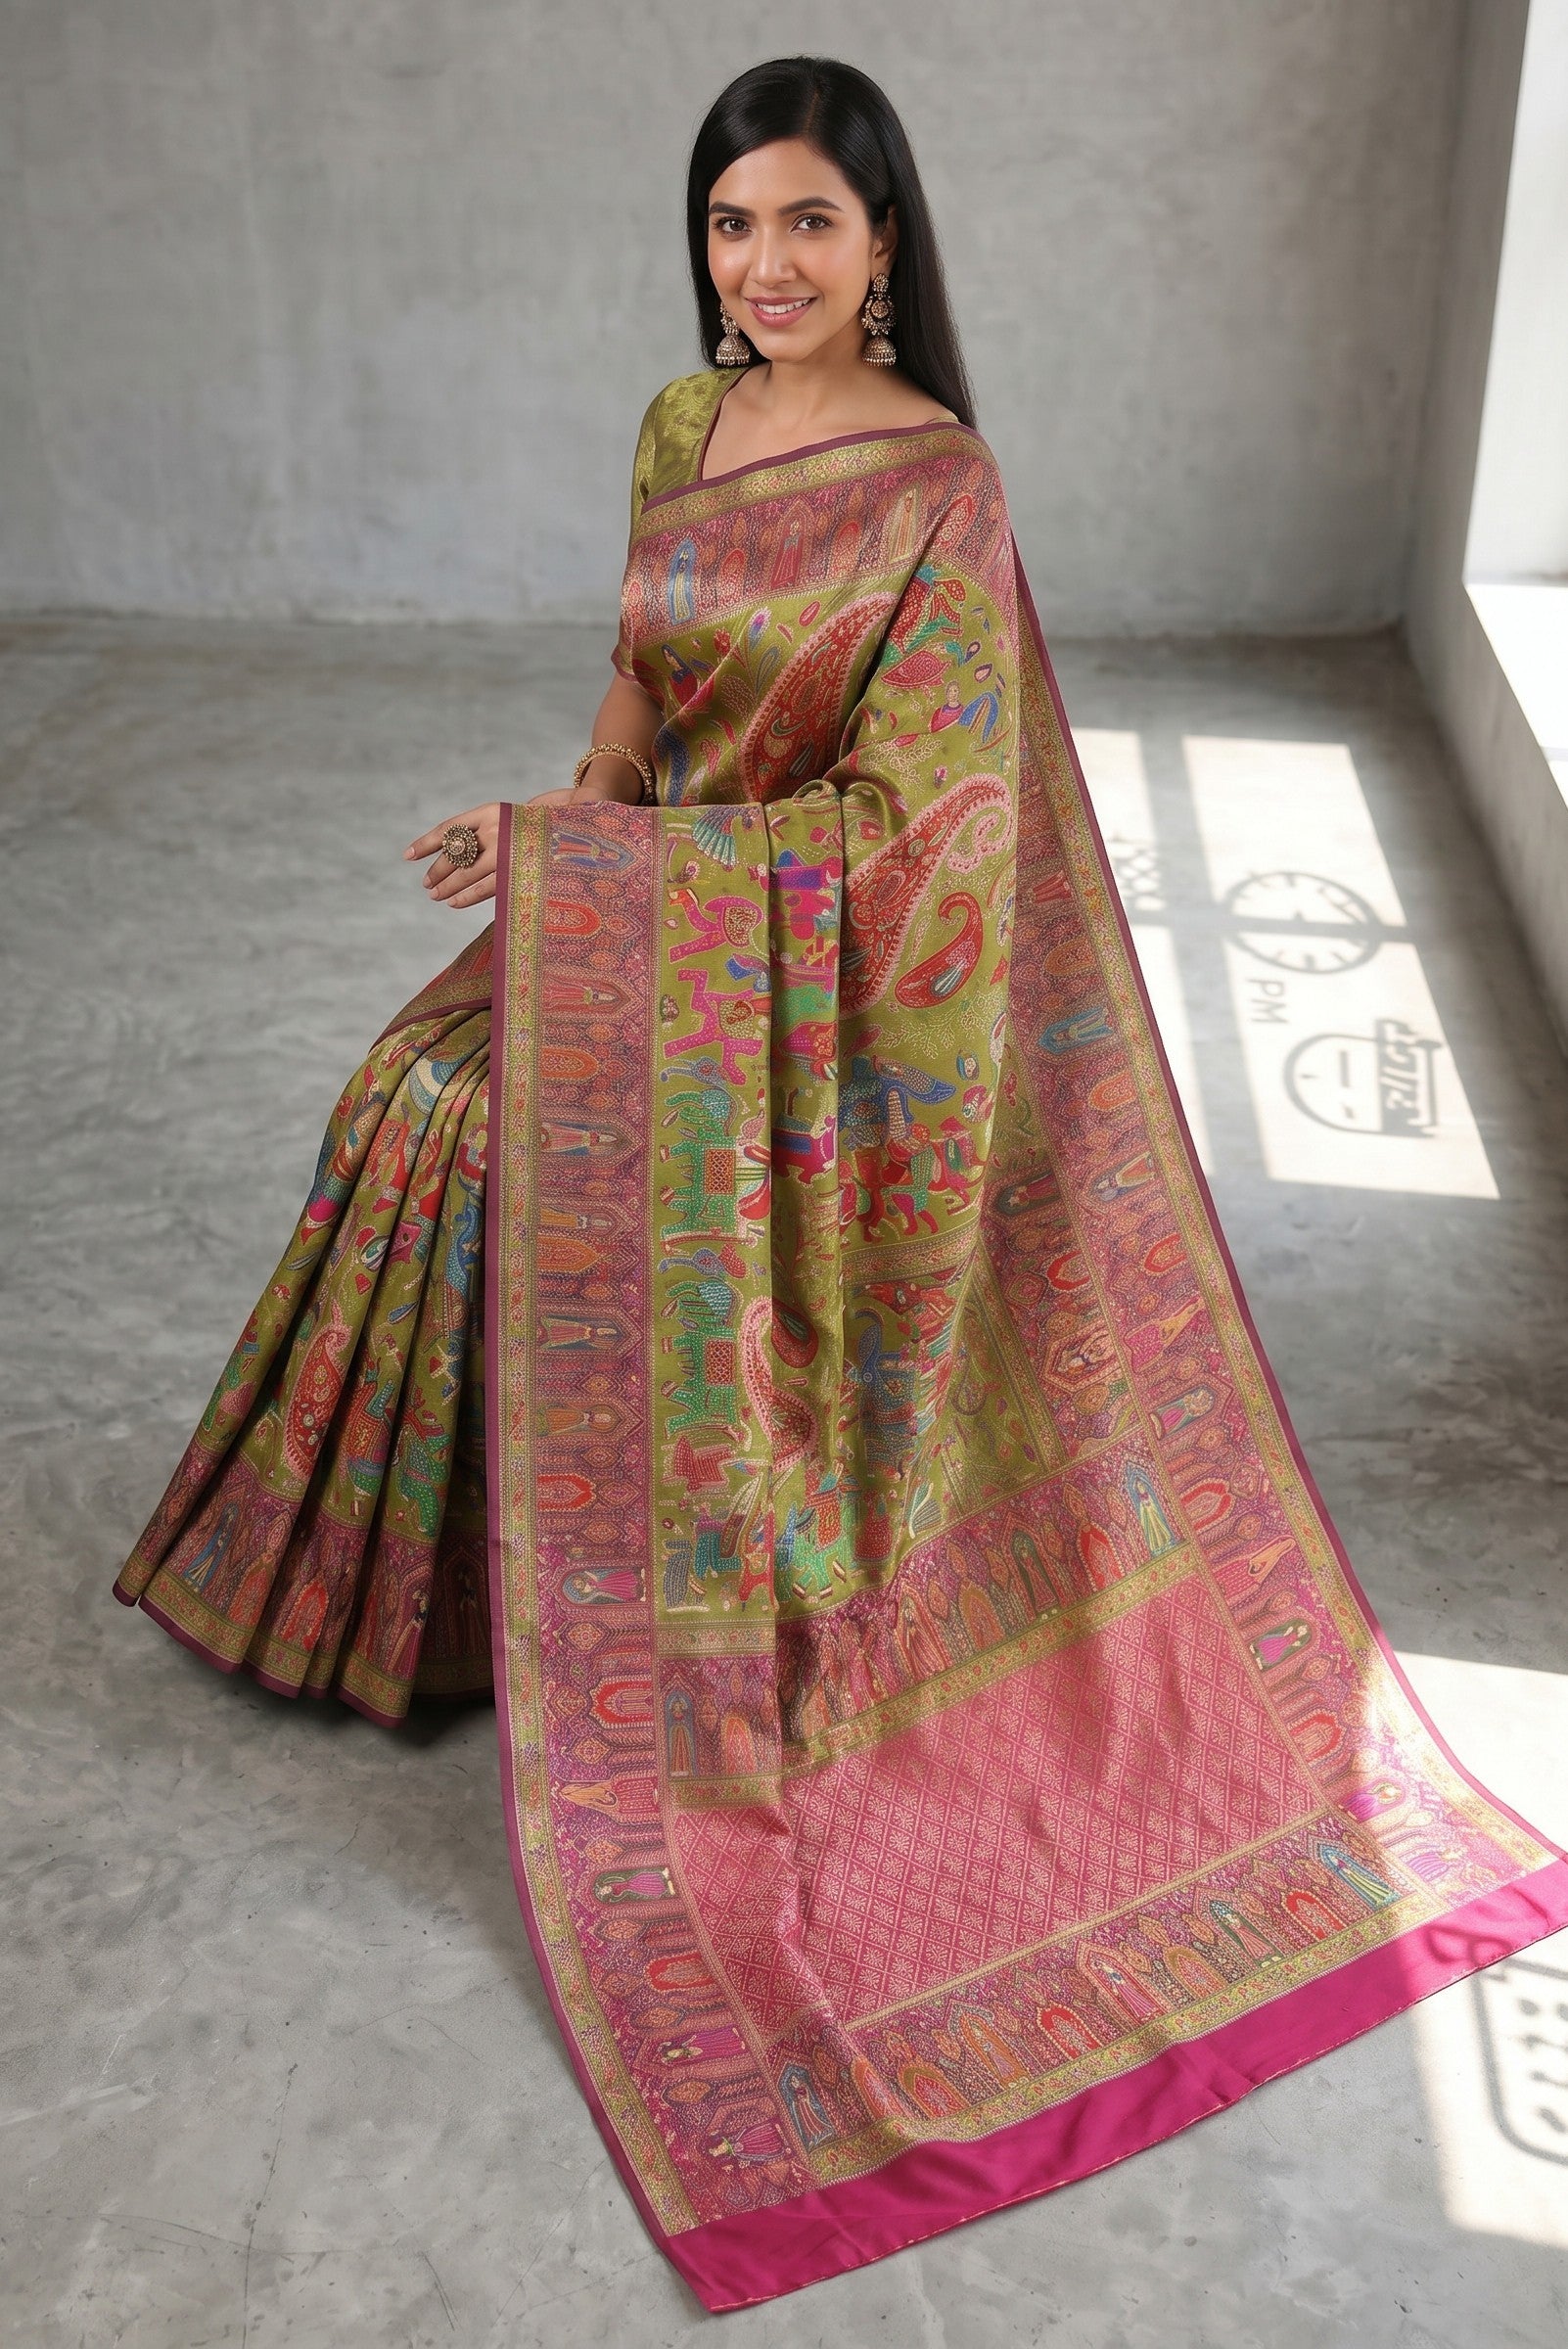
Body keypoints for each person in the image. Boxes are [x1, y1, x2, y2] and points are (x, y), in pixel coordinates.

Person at [114, 55, 1568, 2312]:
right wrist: (566, 841)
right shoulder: (681, 432)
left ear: (888, 243)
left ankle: (614, 1599)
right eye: (730, 227)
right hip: (636, 926)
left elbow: (925, 849)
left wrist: (619, 901)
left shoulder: (940, 491)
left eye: (809, 225)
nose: (765, 269)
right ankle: (442, 1598)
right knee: (416, 1106)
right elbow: (632, 684)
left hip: (800, 1016)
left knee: (525, 1149)